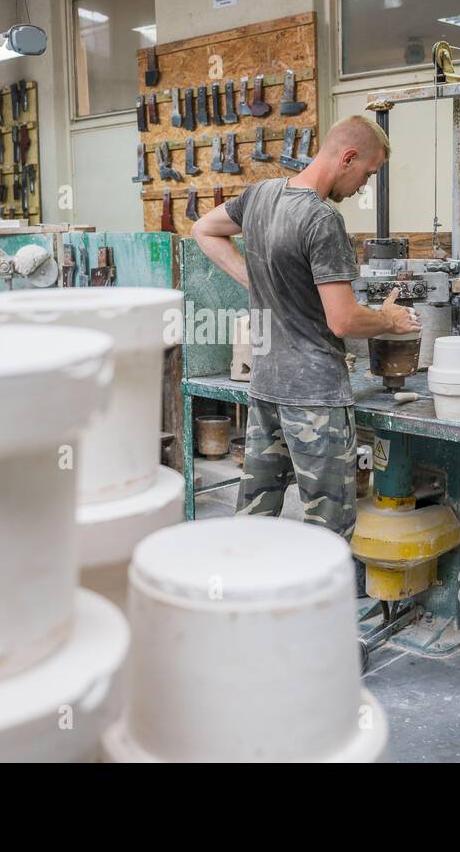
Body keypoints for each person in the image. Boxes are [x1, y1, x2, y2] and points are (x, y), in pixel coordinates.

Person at [191, 115, 420, 591]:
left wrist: (251, 278)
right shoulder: (322, 219)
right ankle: (318, 634)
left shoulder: (260, 196)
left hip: (267, 388)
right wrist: (390, 320)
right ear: (348, 158)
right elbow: (343, 320)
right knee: (327, 529)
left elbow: (203, 230)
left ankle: (243, 607)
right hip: (315, 397)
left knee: (256, 512)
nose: (362, 188)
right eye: (368, 175)